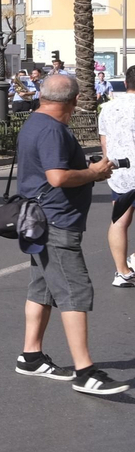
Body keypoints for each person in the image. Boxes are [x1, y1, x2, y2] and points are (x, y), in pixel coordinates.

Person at [15, 73, 128, 395]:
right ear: (75, 101)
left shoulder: (35, 122)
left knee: (42, 290)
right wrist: (93, 173)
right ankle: (85, 372)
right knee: (74, 291)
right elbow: (57, 177)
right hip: (55, 222)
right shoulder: (53, 129)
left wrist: (87, 168)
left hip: (37, 221)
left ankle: (31, 355)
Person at [97, 65, 135, 288]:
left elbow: (105, 142)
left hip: (120, 171)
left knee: (119, 221)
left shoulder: (108, 108)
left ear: (126, 83)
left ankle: (121, 272)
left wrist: (107, 165)